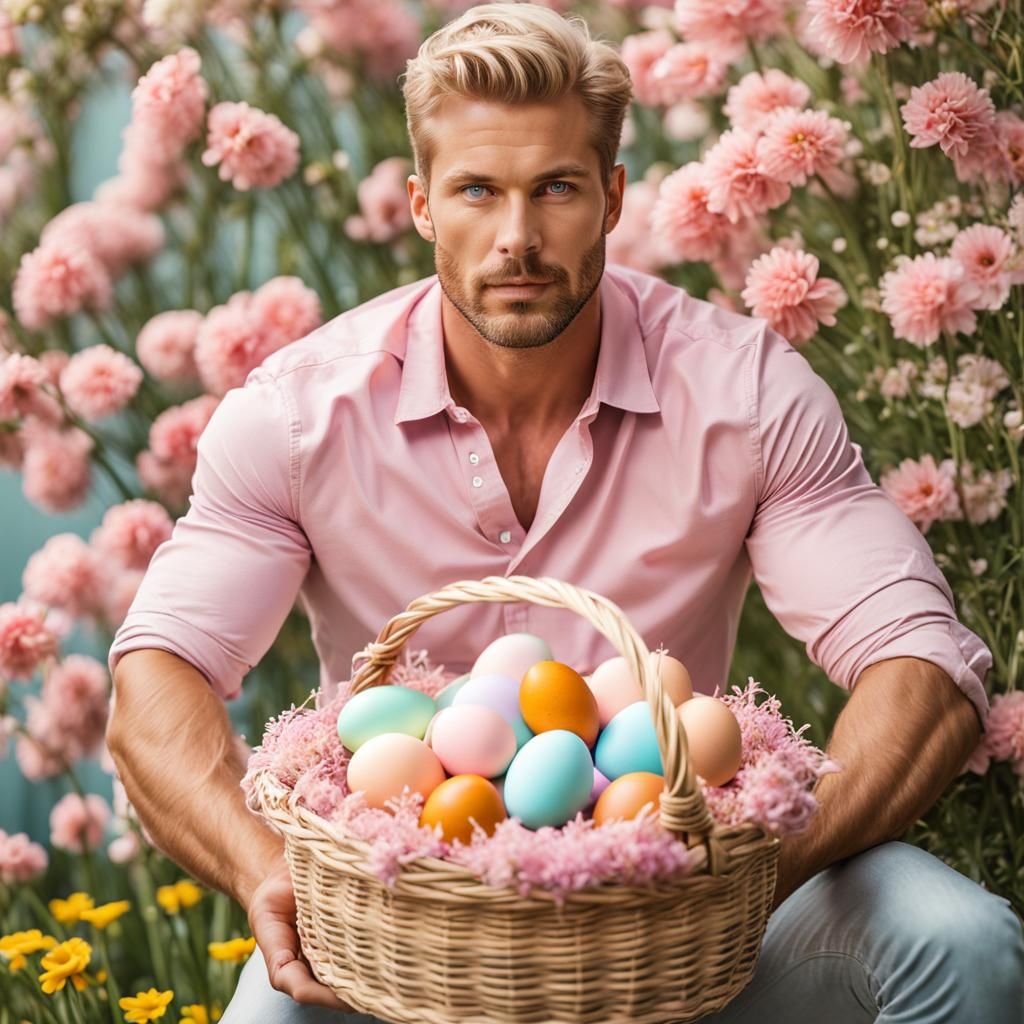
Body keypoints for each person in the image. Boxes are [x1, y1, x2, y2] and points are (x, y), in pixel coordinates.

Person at [105, 3, 1024, 1022]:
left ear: (611, 196)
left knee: (959, 941)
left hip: (683, 938)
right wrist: (260, 865)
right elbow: (159, 673)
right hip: (399, 932)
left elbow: (924, 666)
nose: (516, 237)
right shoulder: (294, 414)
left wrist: (748, 876)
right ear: (419, 204)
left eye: (554, 188)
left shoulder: (743, 393)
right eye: (475, 191)